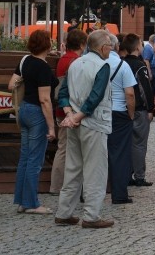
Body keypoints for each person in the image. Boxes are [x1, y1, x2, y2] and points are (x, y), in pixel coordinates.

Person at [55, 29, 115, 229]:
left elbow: (63, 92)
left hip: (73, 123)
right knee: (95, 171)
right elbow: (95, 97)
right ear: (101, 47)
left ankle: (64, 212)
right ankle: (91, 216)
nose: (111, 50)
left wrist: (70, 115)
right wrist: (79, 116)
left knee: (73, 168)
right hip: (94, 123)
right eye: (109, 46)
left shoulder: (74, 63)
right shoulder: (102, 65)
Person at [10, 30, 57, 215]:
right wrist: (51, 126)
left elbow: (10, 84)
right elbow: (45, 99)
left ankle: (22, 200)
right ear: (47, 45)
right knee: (35, 160)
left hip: (24, 110)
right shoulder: (43, 68)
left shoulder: (25, 61)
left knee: (25, 157)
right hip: (38, 113)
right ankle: (31, 203)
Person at [49, 28, 87, 195]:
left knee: (65, 148)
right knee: (64, 149)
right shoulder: (75, 61)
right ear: (81, 44)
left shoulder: (64, 58)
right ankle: (57, 187)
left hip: (63, 111)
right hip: (68, 112)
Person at [106, 34, 137, 205]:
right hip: (118, 113)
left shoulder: (92, 63)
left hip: (97, 114)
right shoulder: (122, 65)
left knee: (94, 155)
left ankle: (85, 193)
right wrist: (130, 115)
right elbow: (130, 94)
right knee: (119, 155)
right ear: (116, 46)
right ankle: (119, 194)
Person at [124, 33, 155, 187]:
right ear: (137, 47)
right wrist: (150, 108)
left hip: (123, 109)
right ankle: (139, 176)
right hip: (138, 108)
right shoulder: (140, 66)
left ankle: (126, 173)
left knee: (127, 143)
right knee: (139, 144)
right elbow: (145, 89)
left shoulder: (122, 63)